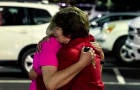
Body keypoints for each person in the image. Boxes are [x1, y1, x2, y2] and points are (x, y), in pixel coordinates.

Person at [29, 6, 104, 90]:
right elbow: (94, 79)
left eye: (57, 28)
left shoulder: (69, 52)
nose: (54, 31)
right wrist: (101, 58)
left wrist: (81, 63)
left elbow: (51, 84)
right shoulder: (90, 44)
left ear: (68, 31)